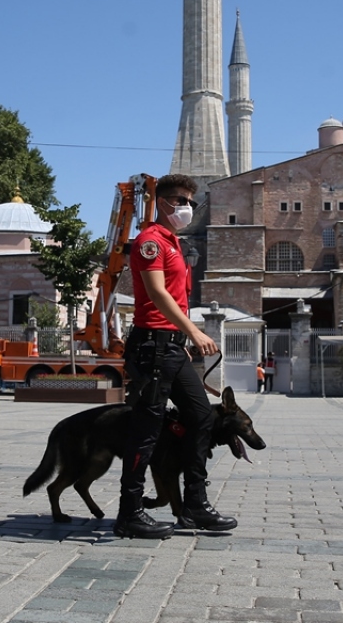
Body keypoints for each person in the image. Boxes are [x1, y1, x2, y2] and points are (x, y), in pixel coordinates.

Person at [115, 174, 237, 539]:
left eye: (191, 202)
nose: (187, 208)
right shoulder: (150, 242)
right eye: (181, 201)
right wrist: (193, 331)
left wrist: (179, 338)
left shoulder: (174, 243)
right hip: (152, 346)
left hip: (169, 345)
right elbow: (156, 294)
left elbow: (175, 297)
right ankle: (130, 513)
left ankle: (194, 505)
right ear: (162, 203)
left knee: (201, 416)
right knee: (147, 431)